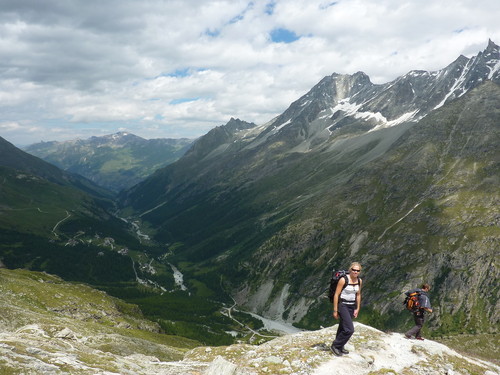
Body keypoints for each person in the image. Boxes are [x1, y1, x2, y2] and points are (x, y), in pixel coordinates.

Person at [330, 262, 362, 356]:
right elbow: (336, 294)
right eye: (354, 270)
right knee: (349, 329)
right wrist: (335, 310)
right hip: (343, 304)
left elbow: (358, 295)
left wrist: (357, 308)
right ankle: (335, 345)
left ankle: (340, 346)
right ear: (350, 270)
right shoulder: (343, 280)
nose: (355, 272)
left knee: (343, 326)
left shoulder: (359, 281)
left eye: (357, 270)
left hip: (351, 306)